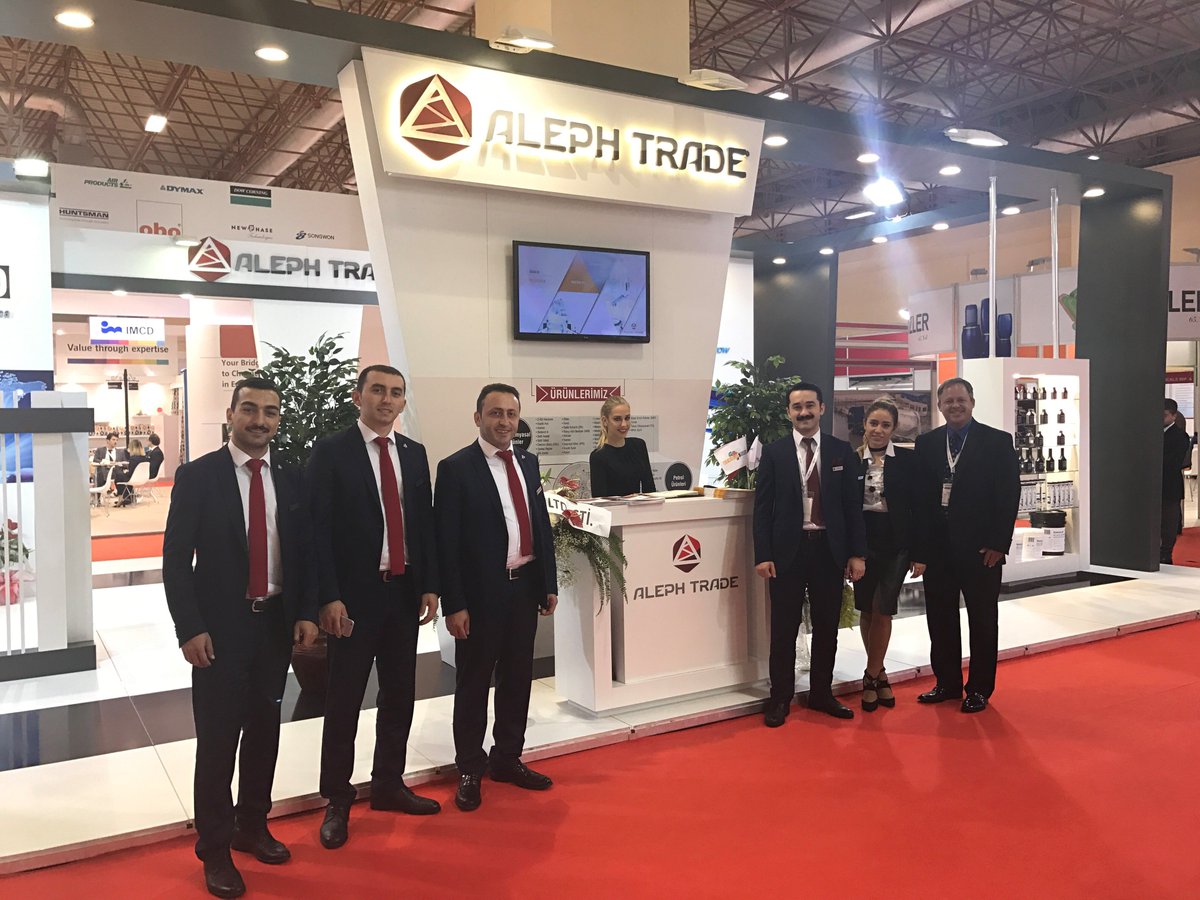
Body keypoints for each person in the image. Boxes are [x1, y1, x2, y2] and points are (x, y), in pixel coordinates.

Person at [162, 378, 318, 899]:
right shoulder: (198, 476)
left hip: (273, 626)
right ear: (231, 414)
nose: (260, 420)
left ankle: (252, 825)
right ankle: (215, 848)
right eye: (249, 409)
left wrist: (304, 612)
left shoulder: (290, 478)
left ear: (278, 420)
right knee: (218, 740)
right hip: (219, 632)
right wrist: (190, 627)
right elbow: (175, 560)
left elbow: (302, 554)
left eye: (270, 412)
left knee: (264, 732)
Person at [308, 365, 441, 850]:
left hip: (403, 593)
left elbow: (423, 525)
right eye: (378, 390)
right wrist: (328, 596)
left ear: (403, 402)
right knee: (344, 700)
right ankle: (337, 798)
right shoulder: (331, 451)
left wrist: (430, 585)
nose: (387, 399)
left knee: (400, 694)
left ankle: (388, 783)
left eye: (396, 393)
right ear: (357, 396)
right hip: (353, 599)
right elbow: (317, 529)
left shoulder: (413, 452)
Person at [435, 383, 558, 812]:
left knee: (518, 678)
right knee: (473, 683)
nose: (504, 422)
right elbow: (446, 543)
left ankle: (507, 757)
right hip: (480, 595)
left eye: (511, 414)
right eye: (495, 413)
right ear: (478, 418)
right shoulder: (455, 469)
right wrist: (454, 604)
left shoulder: (528, 461)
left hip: (523, 588)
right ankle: (470, 767)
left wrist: (548, 582)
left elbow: (539, 525)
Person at [753, 381, 867, 726]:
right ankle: (780, 698)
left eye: (809, 405)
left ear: (821, 408)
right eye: (797, 407)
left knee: (827, 626)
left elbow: (852, 506)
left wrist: (857, 553)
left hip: (828, 551)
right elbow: (763, 509)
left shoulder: (840, 450)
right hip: (787, 552)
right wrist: (763, 554)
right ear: (788, 412)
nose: (803, 412)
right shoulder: (774, 453)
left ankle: (821, 693)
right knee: (783, 628)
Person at [913, 378, 1019, 714]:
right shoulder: (926, 443)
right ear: (940, 406)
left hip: (981, 550)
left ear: (972, 402)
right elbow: (920, 502)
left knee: (983, 620)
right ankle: (947, 683)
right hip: (938, 550)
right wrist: (920, 550)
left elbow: (1008, 494)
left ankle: (979, 689)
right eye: (949, 401)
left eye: (961, 400)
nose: (955, 406)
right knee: (940, 619)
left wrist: (999, 543)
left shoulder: (997, 441)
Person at [854, 400, 925, 711]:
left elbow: (919, 509)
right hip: (862, 543)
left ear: (894, 428)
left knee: (883, 610)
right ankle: (879, 673)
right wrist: (849, 551)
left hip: (896, 544)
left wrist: (920, 553)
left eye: (885, 425)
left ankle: (870, 676)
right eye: (873, 423)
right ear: (864, 425)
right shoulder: (852, 460)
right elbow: (845, 508)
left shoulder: (908, 461)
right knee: (866, 610)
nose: (878, 430)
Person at [588, 394, 655, 496]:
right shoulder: (598, 456)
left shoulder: (639, 446)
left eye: (627, 418)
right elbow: (599, 500)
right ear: (605, 421)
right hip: (614, 507)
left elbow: (650, 490)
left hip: (639, 506)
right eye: (617, 419)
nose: (624, 424)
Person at [1161, 399, 1191, 563]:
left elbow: (1175, 461)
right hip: (1154, 485)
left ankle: (1166, 553)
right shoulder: (1152, 433)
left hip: (1170, 485)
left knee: (1168, 522)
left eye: (1164, 415)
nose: (1161, 418)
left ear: (1173, 416)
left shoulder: (1180, 436)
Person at [111, 438, 148, 506]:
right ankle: (128, 497)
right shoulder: (145, 458)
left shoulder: (133, 458)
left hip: (134, 478)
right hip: (143, 478)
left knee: (118, 476)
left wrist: (126, 472)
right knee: (122, 476)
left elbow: (130, 473)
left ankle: (122, 498)